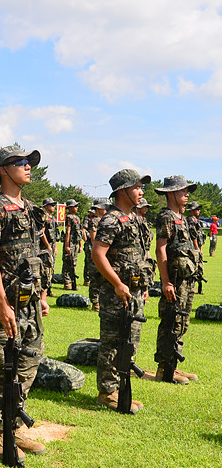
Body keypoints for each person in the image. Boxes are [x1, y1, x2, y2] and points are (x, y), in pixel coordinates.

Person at [0, 146, 49, 463]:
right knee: (2, 364)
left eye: (29, 163)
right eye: (21, 163)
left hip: (29, 299)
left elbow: (37, 253)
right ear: (4, 170)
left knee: (30, 359)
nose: (28, 167)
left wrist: (42, 295)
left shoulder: (31, 207)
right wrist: (2, 303)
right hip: (4, 301)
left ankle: (14, 422)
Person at [91, 170, 150, 411]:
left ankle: (118, 387)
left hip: (134, 290)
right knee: (113, 341)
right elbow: (98, 253)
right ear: (122, 191)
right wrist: (116, 283)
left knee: (130, 340)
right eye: (136, 187)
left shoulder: (135, 219)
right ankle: (107, 391)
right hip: (116, 293)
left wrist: (143, 286)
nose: (141, 191)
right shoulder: (111, 219)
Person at [153, 176, 199, 384]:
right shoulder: (166, 217)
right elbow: (161, 248)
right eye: (183, 191)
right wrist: (165, 282)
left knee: (182, 322)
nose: (187, 194)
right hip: (174, 280)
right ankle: (165, 368)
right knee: (171, 321)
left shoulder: (183, 218)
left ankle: (174, 365)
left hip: (186, 280)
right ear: (171, 194)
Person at [86, 199, 108, 311]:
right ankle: (95, 302)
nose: (106, 209)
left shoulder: (105, 220)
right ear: (99, 209)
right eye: (104, 207)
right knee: (95, 277)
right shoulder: (94, 221)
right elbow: (93, 238)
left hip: (103, 252)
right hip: (95, 251)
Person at [37, 198, 58, 296]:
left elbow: (54, 235)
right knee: (45, 269)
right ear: (45, 206)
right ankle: (43, 290)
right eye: (51, 205)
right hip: (44, 247)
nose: (53, 207)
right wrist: (48, 246)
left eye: (54, 205)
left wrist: (55, 247)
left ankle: (48, 290)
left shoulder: (53, 218)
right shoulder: (43, 217)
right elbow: (42, 233)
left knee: (51, 268)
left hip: (51, 245)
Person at [185, 201, 206, 294]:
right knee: (193, 268)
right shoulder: (190, 221)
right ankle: (192, 287)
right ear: (192, 210)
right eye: (197, 209)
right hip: (193, 249)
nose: (199, 210)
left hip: (198, 248)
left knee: (199, 269)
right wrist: (197, 249)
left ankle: (199, 288)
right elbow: (193, 236)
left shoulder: (197, 221)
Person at [62, 199, 82, 290]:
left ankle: (73, 281)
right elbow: (68, 232)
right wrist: (67, 246)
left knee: (73, 263)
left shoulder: (77, 218)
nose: (77, 207)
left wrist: (80, 245)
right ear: (70, 208)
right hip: (70, 243)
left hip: (76, 243)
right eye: (75, 206)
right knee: (67, 263)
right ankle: (67, 283)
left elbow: (80, 232)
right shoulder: (69, 217)